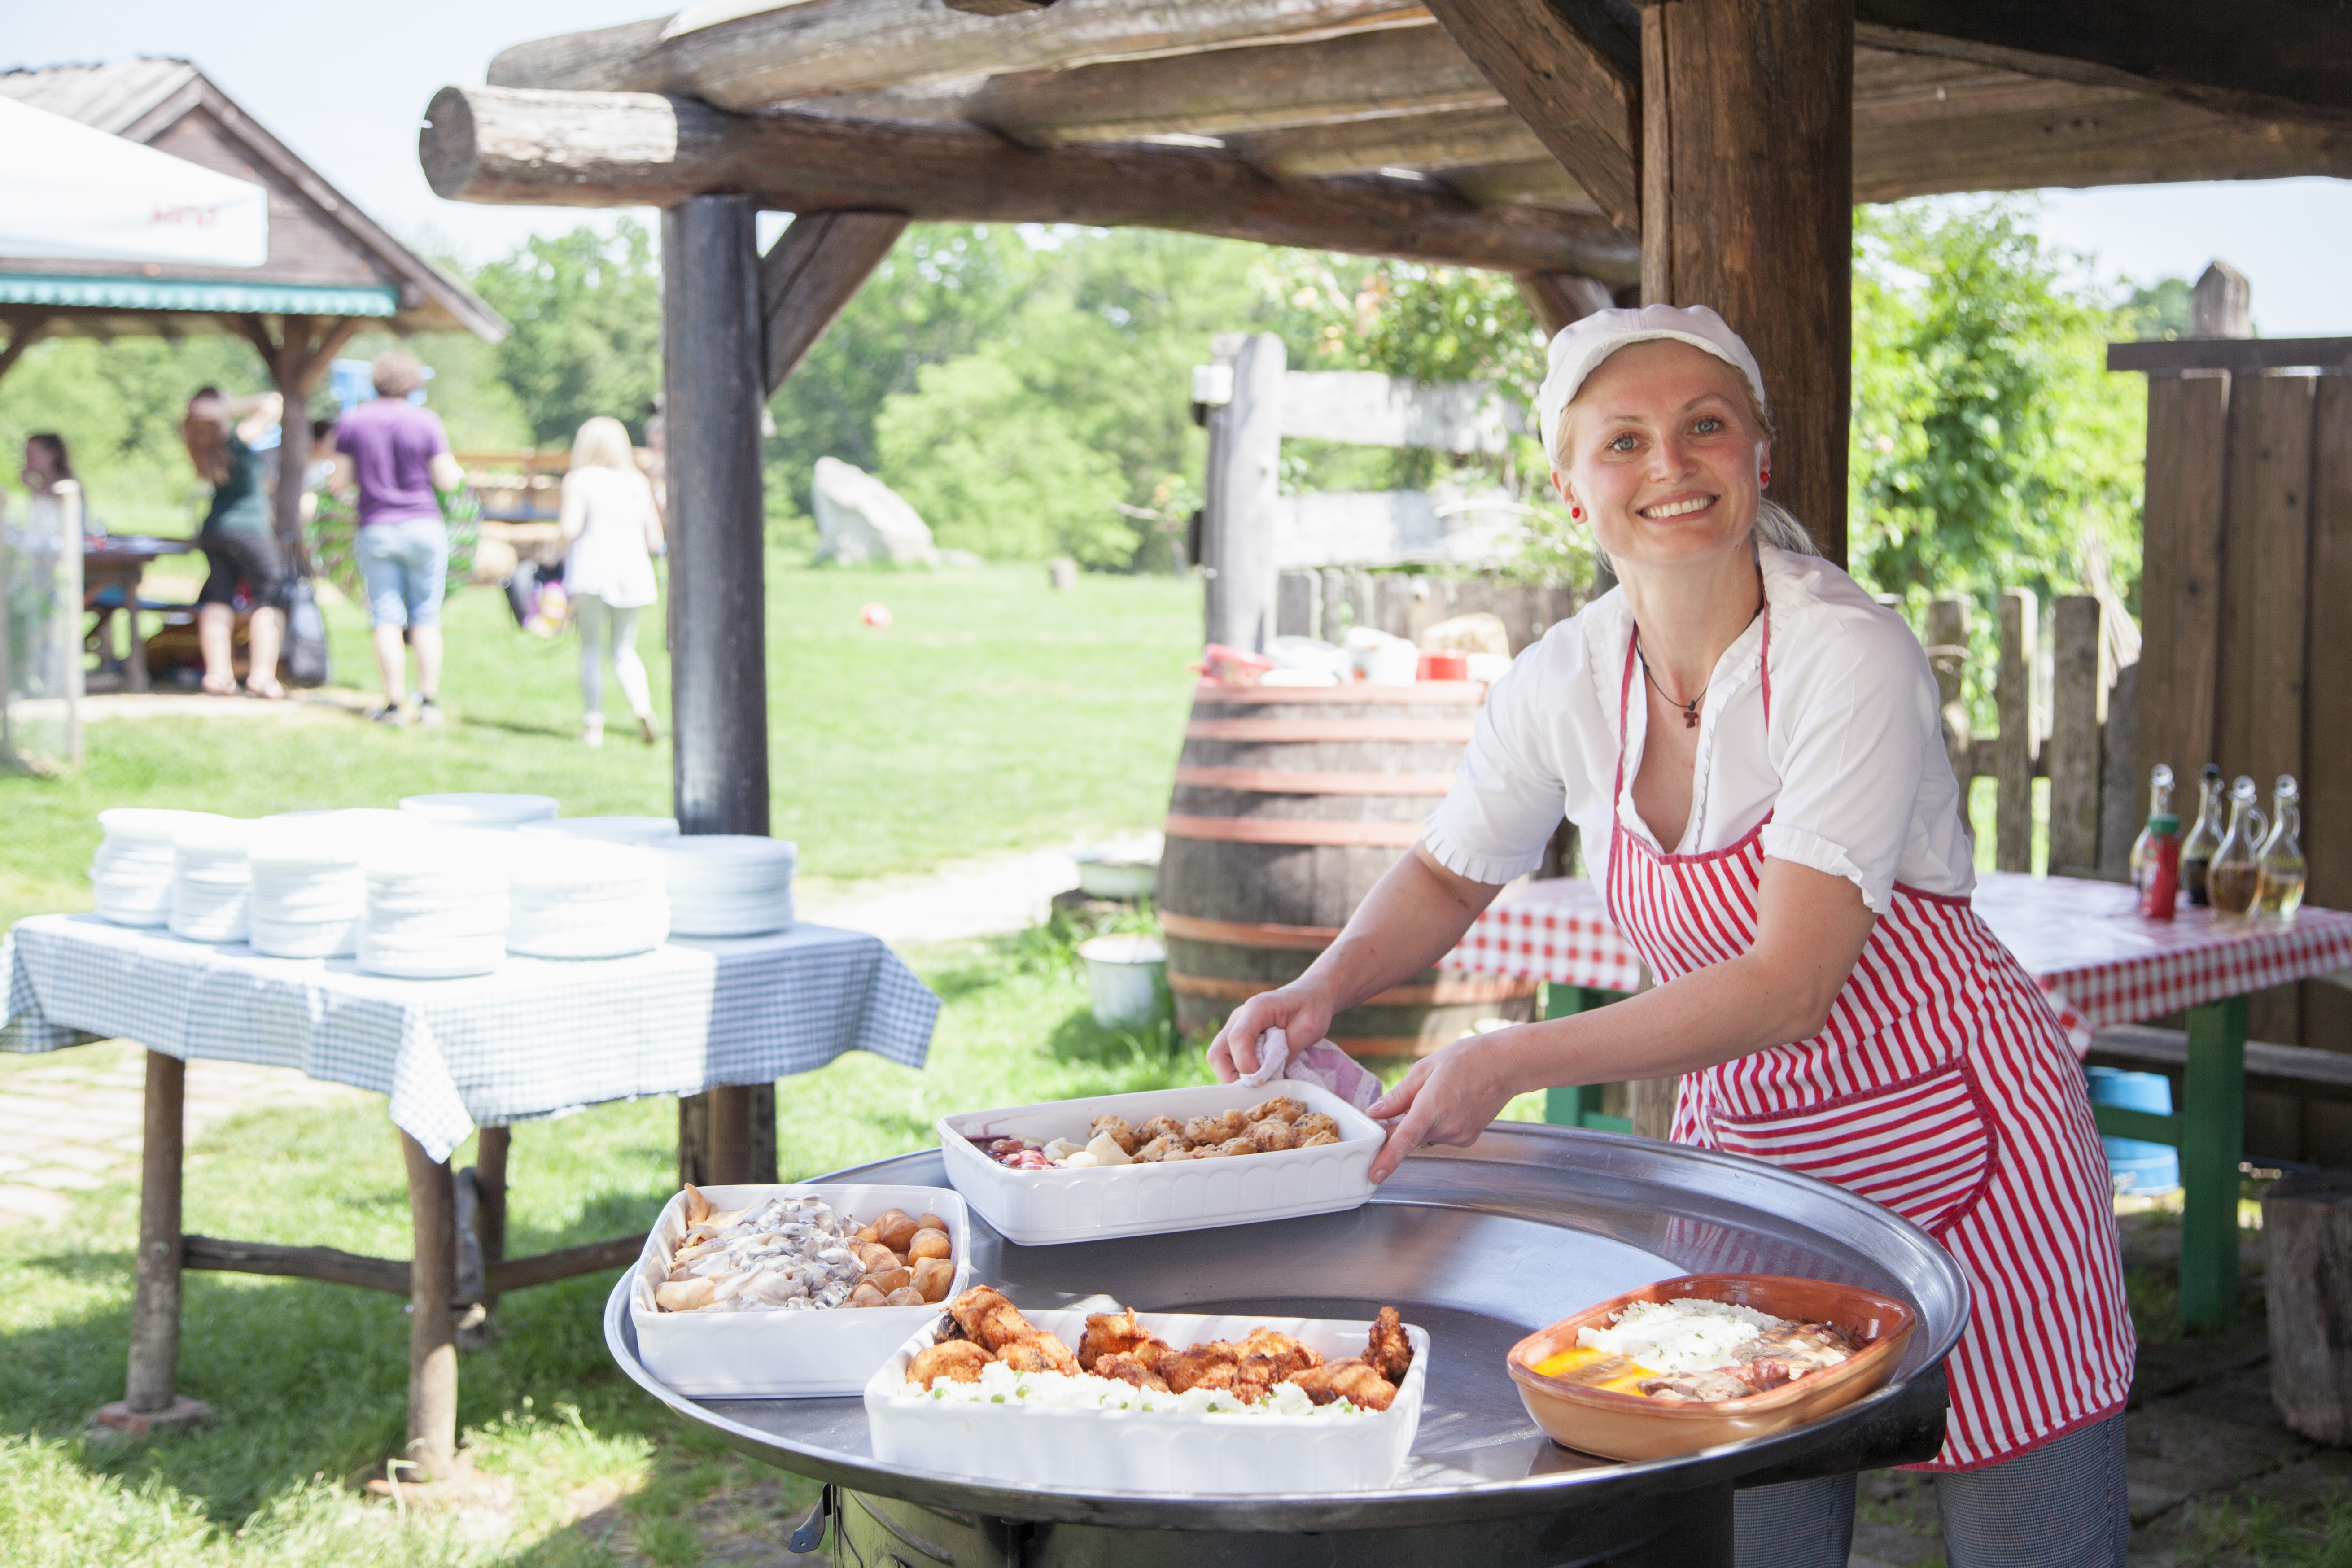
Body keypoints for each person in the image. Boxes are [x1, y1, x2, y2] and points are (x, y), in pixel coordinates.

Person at [1210, 306, 2134, 1568]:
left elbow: (1791, 980)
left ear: (1759, 456)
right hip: (1760, 1171)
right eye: (1624, 439)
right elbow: (1447, 870)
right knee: (1762, 1532)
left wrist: (1508, 1059)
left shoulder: (1844, 654)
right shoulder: (1565, 677)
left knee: (2031, 1547)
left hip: (1974, 1162)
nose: (1669, 465)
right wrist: (1317, 989)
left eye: (1705, 426)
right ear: (1568, 484)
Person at [332, 352, 462, 725]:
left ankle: (393, 704)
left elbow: (339, 481)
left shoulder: (353, 420)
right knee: (426, 615)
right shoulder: (426, 422)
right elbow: (447, 481)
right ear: (414, 383)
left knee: (386, 616)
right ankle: (430, 703)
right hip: (424, 527)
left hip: (377, 527)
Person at [556, 415, 664, 746]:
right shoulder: (637, 482)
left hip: (592, 569)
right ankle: (642, 707)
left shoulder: (579, 479)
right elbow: (655, 541)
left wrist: (551, 555)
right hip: (632, 571)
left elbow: (570, 529)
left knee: (591, 648)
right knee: (624, 648)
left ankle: (593, 725)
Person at [179, 389, 288, 699]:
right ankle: (262, 677)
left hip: (215, 528)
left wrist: (214, 411)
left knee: (219, 597)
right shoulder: (235, 442)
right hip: (248, 528)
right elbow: (273, 403)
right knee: (270, 598)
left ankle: (218, 675)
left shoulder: (199, 445)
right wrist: (227, 408)